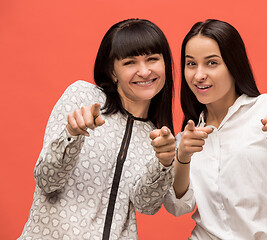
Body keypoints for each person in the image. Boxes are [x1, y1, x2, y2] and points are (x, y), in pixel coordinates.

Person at [164, 19, 267, 240]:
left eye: (212, 63)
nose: (198, 75)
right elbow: (178, 206)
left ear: (233, 64)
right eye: (191, 64)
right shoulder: (187, 139)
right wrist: (182, 157)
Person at [19, 19, 176, 240]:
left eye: (152, 59)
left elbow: (146, 206)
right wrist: (72, 136)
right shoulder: (83, 97)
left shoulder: (155, 135)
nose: (144, 71)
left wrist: (165, 162)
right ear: (113, 71)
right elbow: (47, 180)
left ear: (165, 64)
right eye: (130, 62)